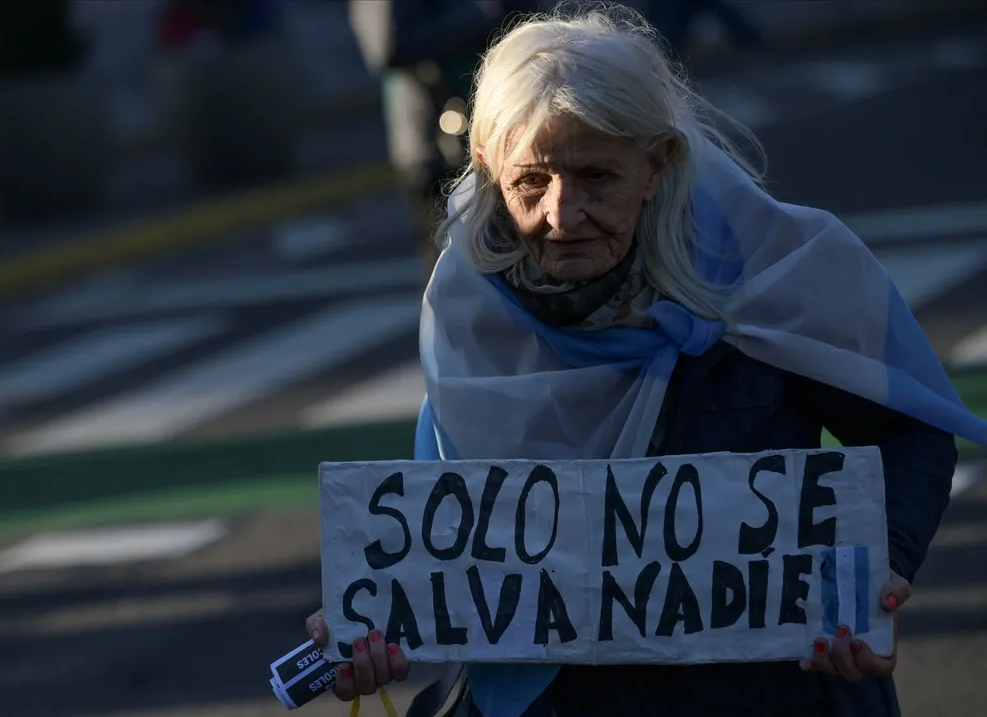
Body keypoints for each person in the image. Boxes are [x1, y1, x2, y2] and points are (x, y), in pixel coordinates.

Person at [306, 3, 987, 716]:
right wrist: (369, 620)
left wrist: (877, 570)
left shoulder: (770, 274)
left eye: (597, 177)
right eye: (530, 181)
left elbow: (909, 434)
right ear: (487, 167)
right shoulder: (467, 318)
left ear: (658, 163)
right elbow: (452, 551)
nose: (562, 215)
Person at [348, 0, 539, 273]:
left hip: (508, 134)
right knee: (453, 270)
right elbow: (386, 47)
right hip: (439, 148)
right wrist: (478, 13)